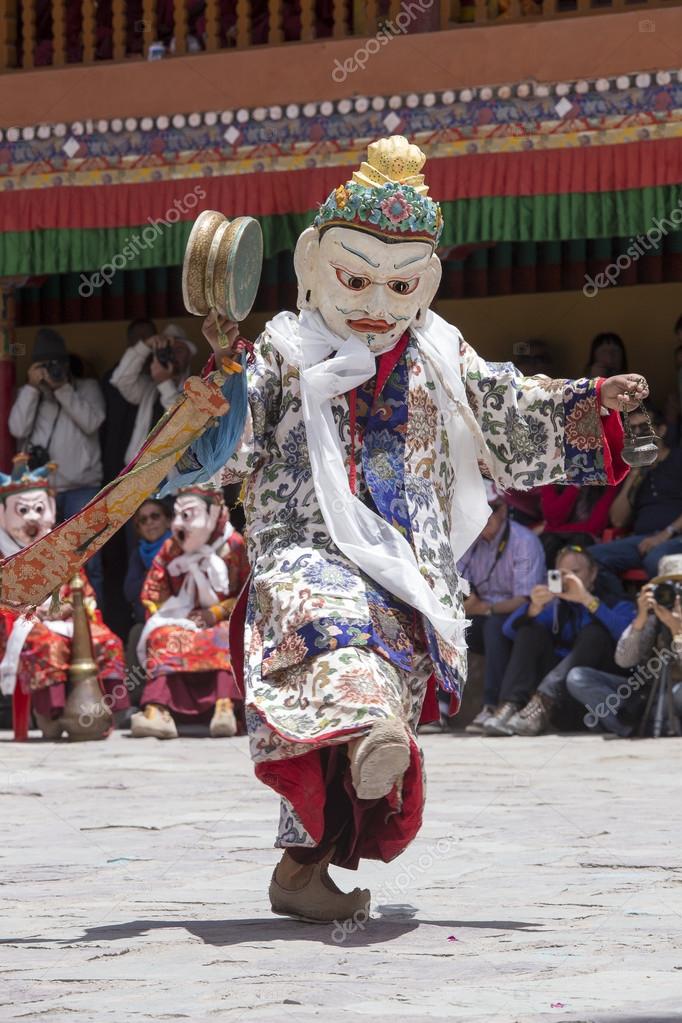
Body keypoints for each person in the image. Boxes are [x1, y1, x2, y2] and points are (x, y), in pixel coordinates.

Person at [169, 135, 647, 923]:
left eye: (399, 284)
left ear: (424, 282)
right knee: (336, 638)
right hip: (307, 548)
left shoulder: (440, 353)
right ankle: (367, 740)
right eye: (355, 279)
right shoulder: (283, 355)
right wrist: (210, 407)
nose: (375, 303)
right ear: (314, 263)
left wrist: (592, 400)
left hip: (410, 564)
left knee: (364, 705)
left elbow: (509, 410)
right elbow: (226, 449)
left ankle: (302, 867)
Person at [0, 456, 128, 739]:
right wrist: (36, 613)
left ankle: (100, 710)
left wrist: (72, 609)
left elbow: (83, 591)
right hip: (14, 627)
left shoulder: (60, 549)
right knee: (47, 644)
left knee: (106, 640)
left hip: (63, 620)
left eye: (38, 508)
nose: (32, 517)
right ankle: (51, 715)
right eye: (22, 510)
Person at [130, 483, 249, 740]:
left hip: (222, 619)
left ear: (215, 513)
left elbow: (247, 595)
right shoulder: (172, 547)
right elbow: (153, 590)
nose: (180, 525)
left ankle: (225, 707)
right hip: (181, 619)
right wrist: (173, 615)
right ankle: (158, 711)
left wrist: (215, 613)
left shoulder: (236, 547)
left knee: (225, 635)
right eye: (178, 515)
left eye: (189, 515)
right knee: (163, 636)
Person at [484, 546, 636, 736]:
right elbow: (509, 632)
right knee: (530, 631)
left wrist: (587, 600)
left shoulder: (615, 601)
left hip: (593, 698)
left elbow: (630, 639)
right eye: (562, 573)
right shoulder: (556, 606)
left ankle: (542, 702)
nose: (568, 578)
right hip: (558, 704)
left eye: (575, 572)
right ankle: (509, 706)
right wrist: (534, 608)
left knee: (595, 633)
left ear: (593, 573)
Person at [8, 327, 106, 605]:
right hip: (40, 496)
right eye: (45, 366)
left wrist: (62, 388)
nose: (52, 370)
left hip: (82, 489)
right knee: (39, 561)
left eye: (57, 364)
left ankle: (93, 624)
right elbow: (17, 428)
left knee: (88, 561)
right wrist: (30, 387)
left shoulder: (85, 388)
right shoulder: (29, 394)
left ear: (66, 363)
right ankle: (48, 619)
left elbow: (92, 422)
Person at [458, 481, 546, 734]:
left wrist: (482, 608)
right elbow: (456, 584)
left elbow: (524, 598)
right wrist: (467, 606)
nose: (483, 516)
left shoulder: (523, 542)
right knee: (444, 627)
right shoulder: (468, 540)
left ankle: (490, 705)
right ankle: (440, 709)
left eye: (490, 509)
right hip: (478, 612)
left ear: (504, 509)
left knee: (494, 626)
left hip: (516, 616)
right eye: (477, 509)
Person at [567, 555, 682, 738]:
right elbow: (625, 660)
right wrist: (641, 619)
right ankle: (630, 726)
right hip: (647, 694)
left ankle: (637, 725)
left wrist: (677, 629)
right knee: (578, 678)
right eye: (669, 588)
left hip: (677, 694)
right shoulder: (654, 616)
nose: (675, 596)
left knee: (678, 695)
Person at [589, 407, 682, 578]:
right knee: (588, 559)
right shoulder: (633, 470)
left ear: (661, 430)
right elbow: (617, 520)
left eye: (644, 427)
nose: (638, 434)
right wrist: (633, 475)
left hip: (675, 538)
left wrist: (666, 533)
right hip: (641, 541)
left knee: (656, 560)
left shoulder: (677, 458)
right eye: (633, 430)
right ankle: (623, 604)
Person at [110, 322, 197, 467]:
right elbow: (120, 379)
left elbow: (182, 422)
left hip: (171, 480)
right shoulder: (149, 389)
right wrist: (146, 345)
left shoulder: (198, 389)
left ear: (189, 356)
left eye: (179, 350)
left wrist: (164, 382)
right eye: (168, 350)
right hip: (137, 474)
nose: (173, 355)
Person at [123, 497, 172, 703]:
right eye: (143, 520)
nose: (150, 523)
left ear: (168, 520)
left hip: (179, 614)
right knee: (136, 633)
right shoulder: (138, 555)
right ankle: (139, 699)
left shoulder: (177, 546)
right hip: (150, 616)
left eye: (155, 516)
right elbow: (130, 591)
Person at [101, 318, 158, 484]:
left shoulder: (162, 379)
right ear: (129, 342)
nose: (144, 343)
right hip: (116, 449)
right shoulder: (115, 376)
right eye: (139, 339)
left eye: (148, 338)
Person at [536, 482, 618, 567]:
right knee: (549, 541)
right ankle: (550, 580)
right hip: (555, 536)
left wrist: (556, 528)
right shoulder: (552, 476)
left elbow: (594, 527)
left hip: (585, 538)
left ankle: (570, 579)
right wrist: (575, 484)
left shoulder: (610, 480)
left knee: (579, 541)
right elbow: (553, 519)